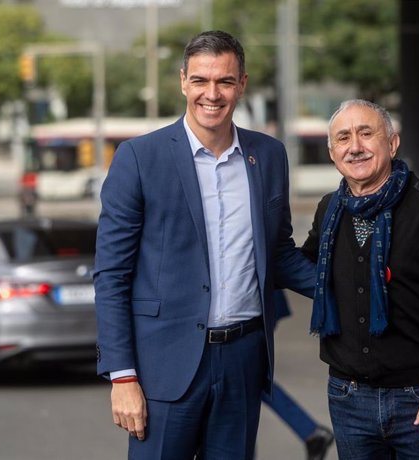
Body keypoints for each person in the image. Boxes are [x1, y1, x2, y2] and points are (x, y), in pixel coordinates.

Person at [94, 30, 316, 460]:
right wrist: (122, 377)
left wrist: (348, 284)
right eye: (200, 80)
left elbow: (280, 252)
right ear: (182, 81)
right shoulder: (139, 158)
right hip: (164, 368)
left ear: (242, 84)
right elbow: (111, 275)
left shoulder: (268, 155)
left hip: (242, 362)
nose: (211, 94)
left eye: (224, 82)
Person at [300, 99, 419, 459]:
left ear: (392, 143)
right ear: (333, 152)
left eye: (366, 134)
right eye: (344, 138)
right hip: (348, 397)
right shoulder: (329, 209)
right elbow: (304, 266)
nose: (355, 147)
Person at [261, 290, 334, 460]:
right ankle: (312, 432)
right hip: (255, 302)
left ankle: (312, 432)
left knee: (248, 381)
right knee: (249, 383)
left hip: (255, 304)